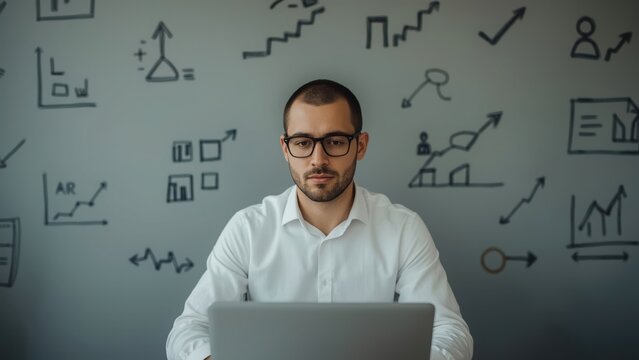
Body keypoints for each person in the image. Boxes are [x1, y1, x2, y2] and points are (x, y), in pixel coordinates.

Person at [166, 79, 473, 360]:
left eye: (336, 141)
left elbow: (450, 332)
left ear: (361, 145)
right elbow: (188, 330)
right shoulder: (248, 229)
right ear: (285, 149)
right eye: (302, 142)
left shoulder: (404, 229)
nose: (318, 159)